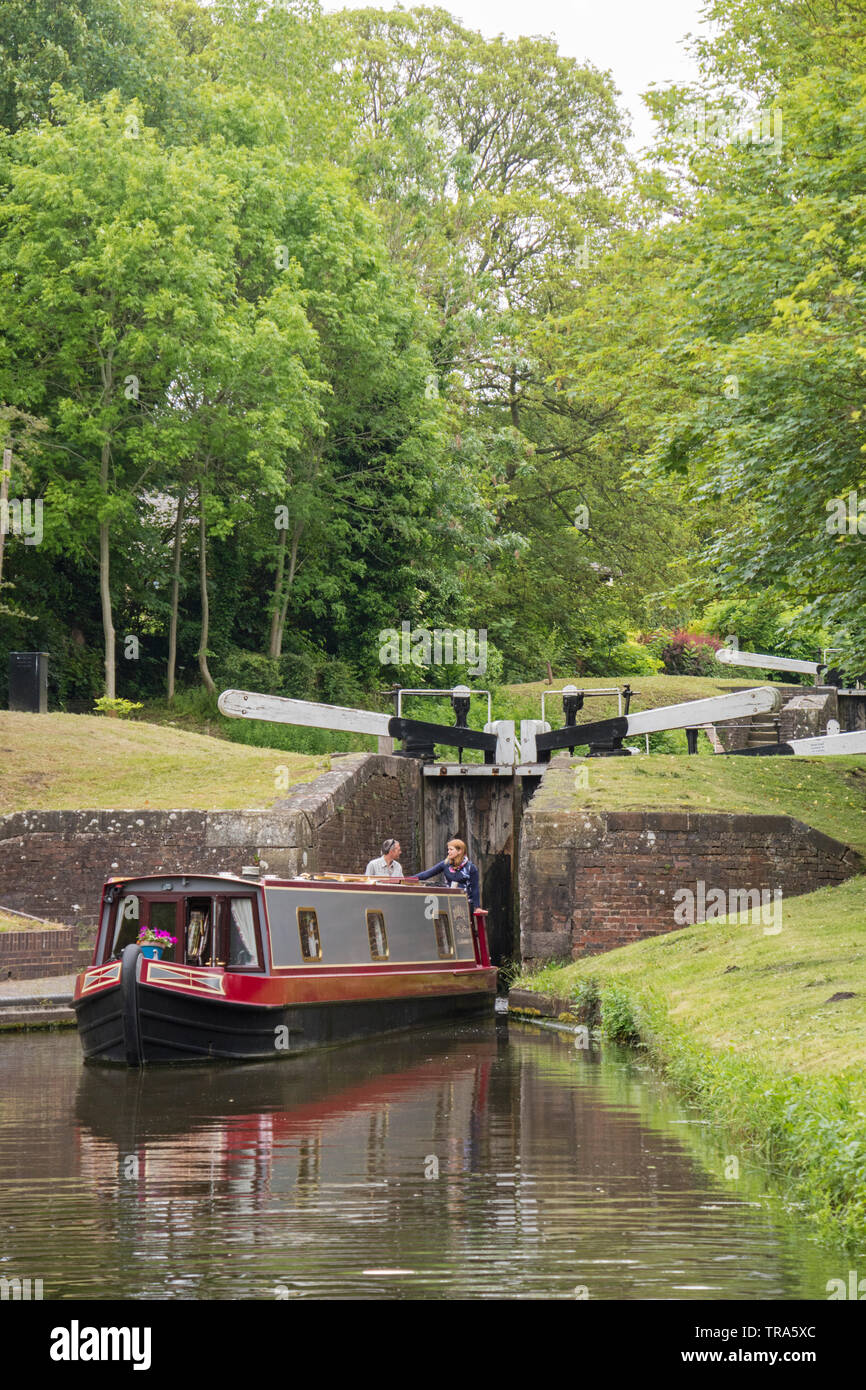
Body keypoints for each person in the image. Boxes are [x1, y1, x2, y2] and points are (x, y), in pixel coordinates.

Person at [416, 838, 480, 913]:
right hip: (448, 900)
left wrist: (477, 907)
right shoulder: (445, 864)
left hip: (465, 902)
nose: (448, 852)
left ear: (459, 851)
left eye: (451, 849)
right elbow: (426, 874)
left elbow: (475, 888)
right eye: (448, 849)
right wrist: (406, 879)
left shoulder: (470, 867)